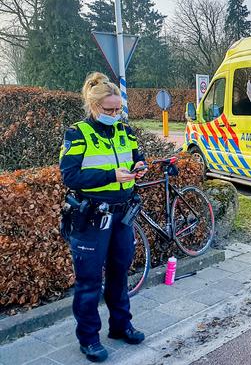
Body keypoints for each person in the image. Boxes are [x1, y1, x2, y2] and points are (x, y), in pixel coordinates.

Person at [59, 72, 147, 362]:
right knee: (89, 282)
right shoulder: (77, 133)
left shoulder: (126, 131)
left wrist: (140, 165)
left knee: (120, 274)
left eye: (117, 109)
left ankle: (121, 326)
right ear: (93, 106)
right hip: (92, 217)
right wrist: (111, 175)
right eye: (107, 109)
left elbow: (136, 155)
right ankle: (88, 339)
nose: (114, 114)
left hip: (122, 214)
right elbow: (70, 175)